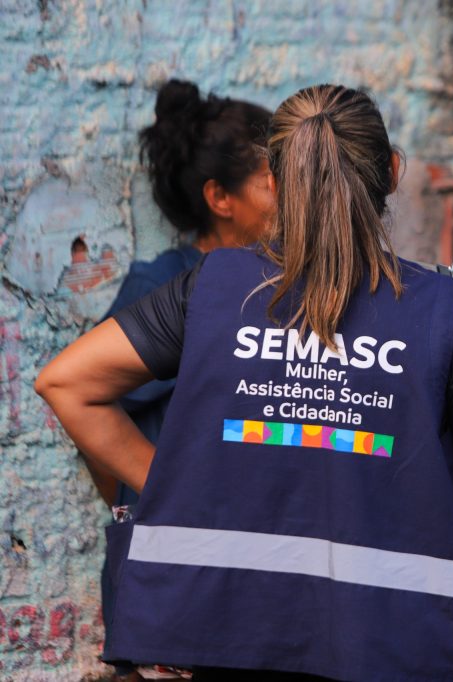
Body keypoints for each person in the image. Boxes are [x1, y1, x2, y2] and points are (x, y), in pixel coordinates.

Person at [37, 84, 453, 681]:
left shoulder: (212, 288)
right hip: (395, 640)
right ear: (392, 172)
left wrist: (179, 485)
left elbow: (67, 384)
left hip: (224, 633)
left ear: (277, 182)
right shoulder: (446, 311)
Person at [83, 79, 273, 681]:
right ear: (220, 197)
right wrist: (157, 498)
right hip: (170, 583)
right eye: (273, 179)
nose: (294, 193)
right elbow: (88, 407)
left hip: (243, 580)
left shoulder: (278, 291)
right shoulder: (166, 286)